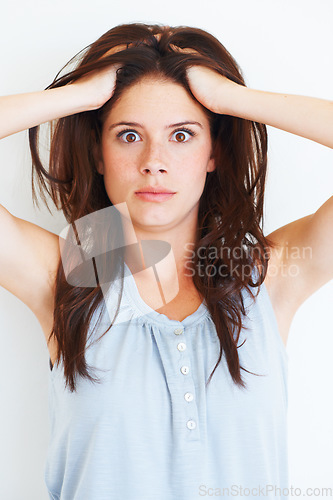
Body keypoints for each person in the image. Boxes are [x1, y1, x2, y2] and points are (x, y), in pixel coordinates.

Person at [0, 21, 332, 500]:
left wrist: (231, 99)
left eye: (182, 135)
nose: (154, 160)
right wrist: (81, 95)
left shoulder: (266, 276)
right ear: (98, 153)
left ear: (213, 151)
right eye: (128, 135)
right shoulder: (66, 268)